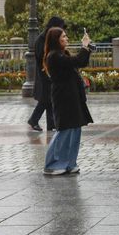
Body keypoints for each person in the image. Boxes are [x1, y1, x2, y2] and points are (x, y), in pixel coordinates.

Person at [42, 27, 94, 175]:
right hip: (63, 98)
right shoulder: (53, 56)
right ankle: (52, 164)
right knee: (64, 129)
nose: (67, 38)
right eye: (63, 36)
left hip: (73, 97)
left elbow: (80, 62)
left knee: (75, 129)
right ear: (56, 40)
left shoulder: (61, 54)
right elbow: (78, 60)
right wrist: (84, 46)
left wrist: (86, 48)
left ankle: (70, 163)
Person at [28, 16, 65, 132]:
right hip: (44, 73)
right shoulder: (41, 39)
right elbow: (40, 56)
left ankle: (51, 124)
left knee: (49, 99)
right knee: (45, 99)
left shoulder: (47, 38)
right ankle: (34, 119)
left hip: (49, 72)